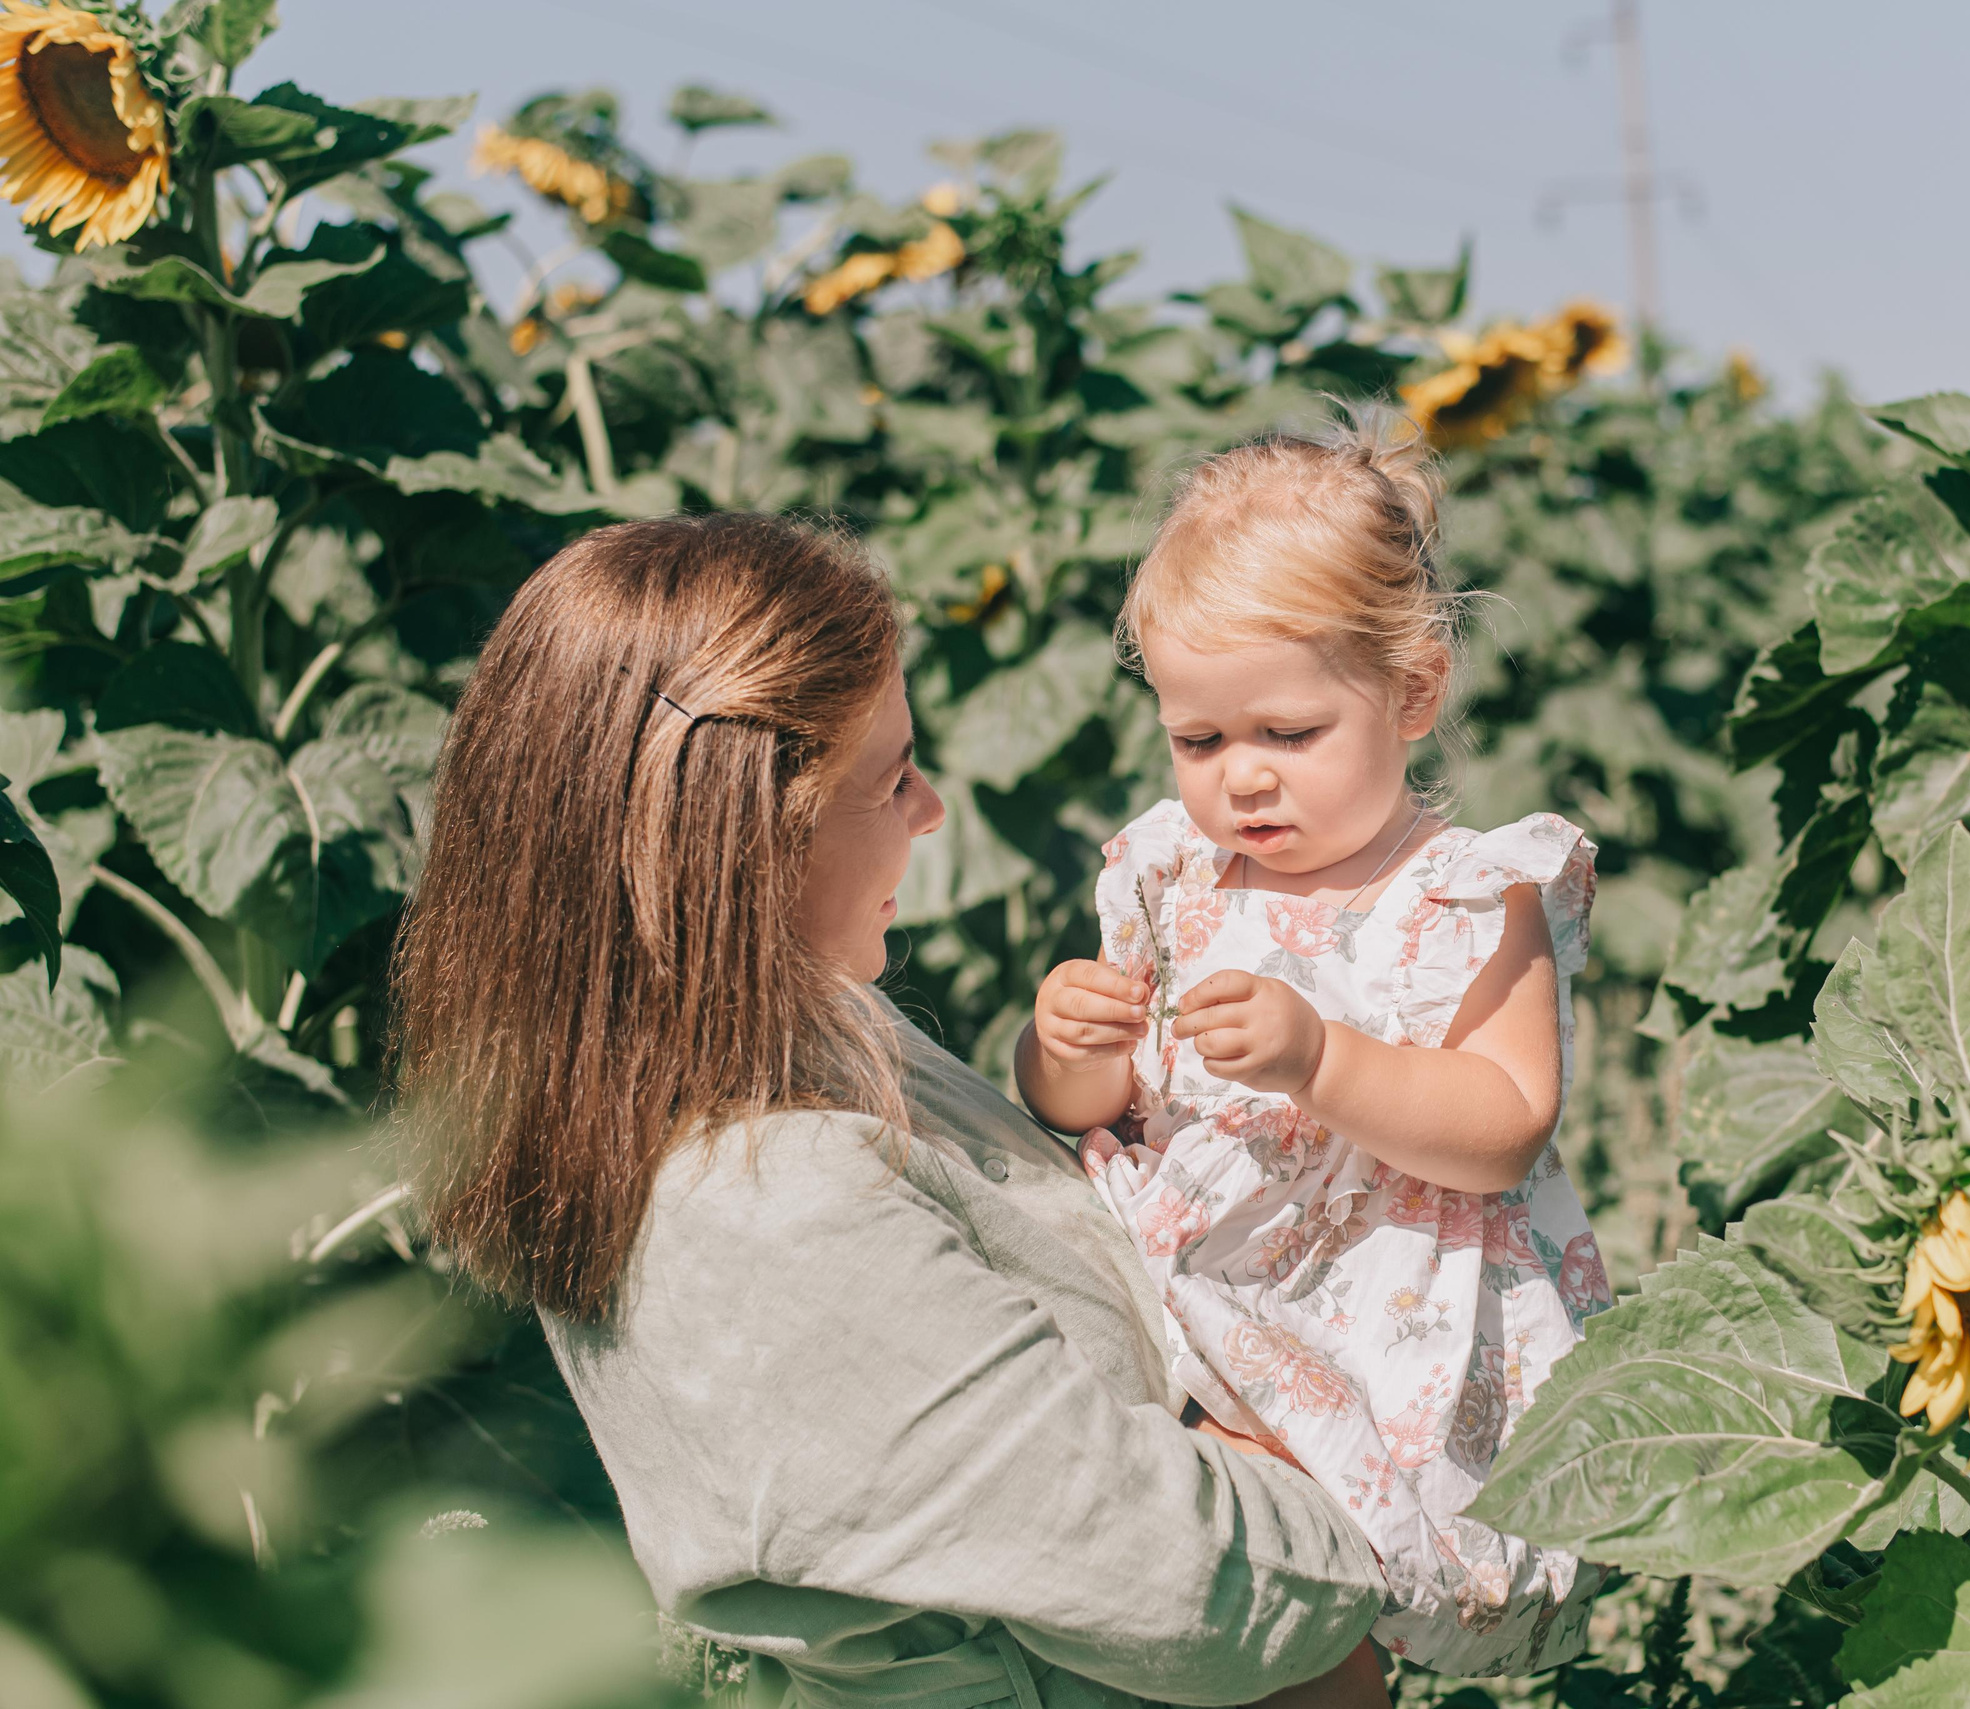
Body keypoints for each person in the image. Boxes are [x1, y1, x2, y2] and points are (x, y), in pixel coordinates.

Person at [391, 512, 1386, 1709]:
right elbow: (1188, 1587)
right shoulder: (754, 1208)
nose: (932, 811)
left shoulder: (786, 1034)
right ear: (743, 837)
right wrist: (1355, 1457)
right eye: (891, 776)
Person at [1017, 423, 1612, 1685]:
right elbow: (1099, 1101)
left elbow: (1505, 1121)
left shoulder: (1466, 893)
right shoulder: (1173, 876)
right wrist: (1063, 1043)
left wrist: (1322, 1060)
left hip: (1370, 1314)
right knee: (1152, 1584)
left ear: (1412, 694)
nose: (1241, 781)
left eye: (1286, 734)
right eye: (1200, 740)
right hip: (1183, 1289)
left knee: (1311, 1600)